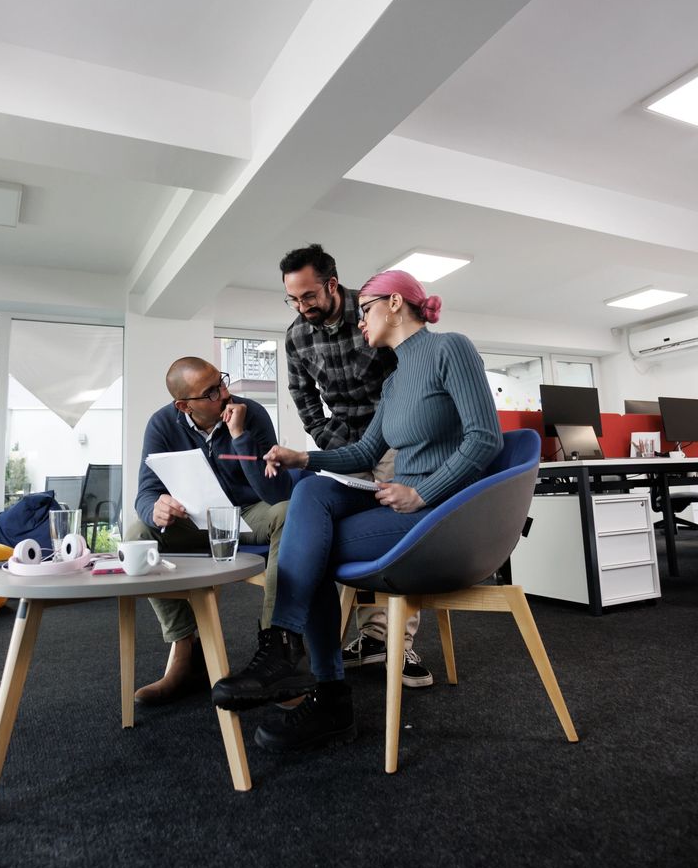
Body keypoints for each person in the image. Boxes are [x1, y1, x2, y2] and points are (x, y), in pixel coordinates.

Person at [211, 271, 503, 752]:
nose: (358, 318)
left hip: (440, 514)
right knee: (310, 494)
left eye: (364, 309)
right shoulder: (394, 380)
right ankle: (287, 647)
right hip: (402, 501)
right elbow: (365, 452)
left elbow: (485, 438)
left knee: (312, 547)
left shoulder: (451, 348)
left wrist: (424, 492)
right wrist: (303, 458)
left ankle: (323, 690)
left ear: (393, 303)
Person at [279, 243, 432, 688]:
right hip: (345, 441)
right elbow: (302, 393)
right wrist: (325, 438)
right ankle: (371, 637)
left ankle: (399, 646)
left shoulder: (374, 310)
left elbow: (410, 367)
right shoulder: (297, 336)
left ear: (331, 284)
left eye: (308, 296)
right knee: (347, 538)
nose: (301, 306)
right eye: (292, 299)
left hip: (393, 437)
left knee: (395, 532)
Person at [133, 357, 294, 704]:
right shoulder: (162, 424)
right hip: (194, 518)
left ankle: (276, 647)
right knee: (138, 531)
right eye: (211, 392)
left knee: (287, 512)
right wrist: (156, 507)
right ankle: (185, 649)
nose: (224, 393)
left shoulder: (250, 413)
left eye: (221, 382)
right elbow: (145, 493)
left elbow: (276, 492)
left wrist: (239, 437)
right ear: (183, 405)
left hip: (248, 514)